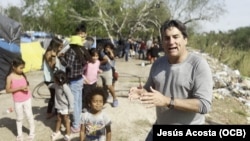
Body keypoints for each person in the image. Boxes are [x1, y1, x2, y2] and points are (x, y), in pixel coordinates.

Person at [128, 20, 213, 140]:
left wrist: (167, 101)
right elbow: (149, 89)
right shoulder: (158, 63)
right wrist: (142, 92)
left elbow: (204, 105)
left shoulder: (198, 65)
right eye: (166, 38)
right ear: (162, 42)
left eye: (175, 37)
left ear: (185, 39)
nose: (171, 42)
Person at [58, 35, 91, 133]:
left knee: (75, 103)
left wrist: (61, 58)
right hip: (80, 78)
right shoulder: (82, 51)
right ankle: (79, 120)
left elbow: (68, 65)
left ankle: (76, 126)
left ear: (72, 43)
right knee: (79, 101)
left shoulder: (71, 51)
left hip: (73, 80)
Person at [5, 57, 35, 141]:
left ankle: (32, 132)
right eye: (20, 68)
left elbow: (27, 85)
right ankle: (20, 134)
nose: (22, 70)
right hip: (18, 101)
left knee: (29, 116)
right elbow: (7, 90)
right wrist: (20, 88)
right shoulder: (10, 77)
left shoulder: (22, 75)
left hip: (27, 99)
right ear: (14, 67)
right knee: (19, 118)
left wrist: (26, 88)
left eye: (23, 68)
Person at [42, 37, 63, 119]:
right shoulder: (49, 53)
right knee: (53, 96)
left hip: (53, 78)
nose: (61, 48)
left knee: (56, 95)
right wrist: (54, 58)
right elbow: (52, 67)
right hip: (50, 79)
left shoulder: (54, 53)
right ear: (55, 45)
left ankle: (55, 111)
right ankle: (49, 112)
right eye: (60, 47)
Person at [50, 70, 74, 141]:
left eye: (54, 79)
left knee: (66, 120)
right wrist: (49, 85)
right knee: (58, 119)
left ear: (59, 80)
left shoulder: (65, 87)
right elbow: (53, 85)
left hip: (65, 107)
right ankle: (57, 132)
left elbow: (71, 97)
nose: (53, 80)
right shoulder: (56, 84)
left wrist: (71, 108)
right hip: (59, 106)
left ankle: (68, 134)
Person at [98, 42, 118, 107]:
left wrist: (110, 52)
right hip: (99, 71)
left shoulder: (110, 52)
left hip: (107, 70)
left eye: (109, 47)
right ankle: (103, 98)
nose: (107, 48)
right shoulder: (101, 52)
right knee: (99, 86)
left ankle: (115, 98)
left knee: (109, 86)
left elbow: (112, 58)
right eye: (106, 47)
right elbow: (105, 59)